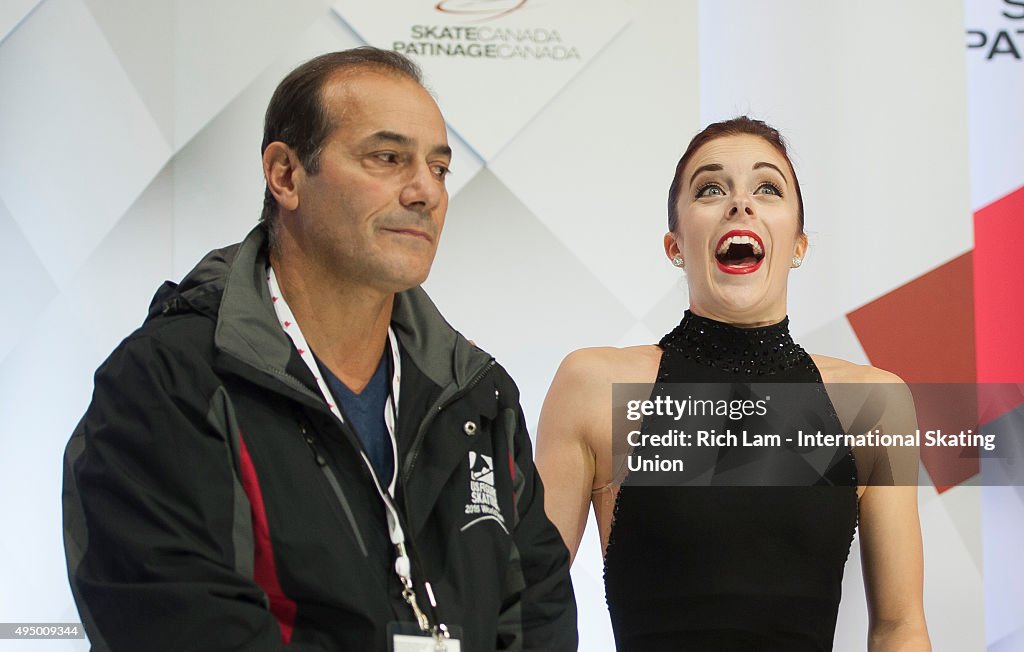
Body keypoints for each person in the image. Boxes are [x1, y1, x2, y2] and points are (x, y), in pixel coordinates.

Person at [62, 47, 577, 651]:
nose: (425, 193)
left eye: (438, 168)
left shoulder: (478, 394)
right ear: (285, 175)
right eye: (387, 158)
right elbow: (175, 621)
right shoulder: (169, 380)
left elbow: (536, 611)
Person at [535, 117, 930, 650]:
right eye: (711, 189)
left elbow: (899, 627)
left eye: (767, 188)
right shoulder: (593, 383)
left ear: (798, 245)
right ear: (675, 246)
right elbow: (527, 606)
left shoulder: (874, 403)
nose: (740, 204)